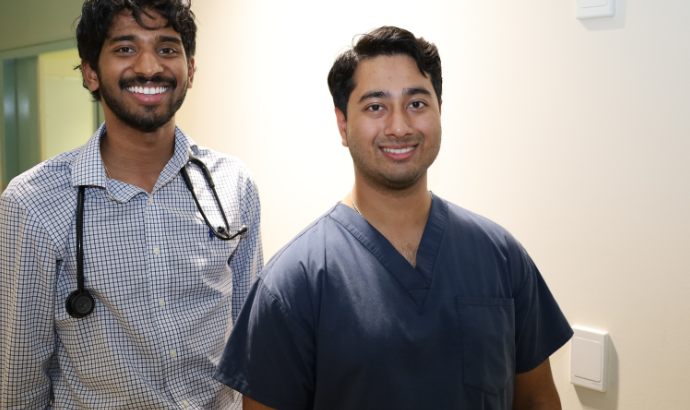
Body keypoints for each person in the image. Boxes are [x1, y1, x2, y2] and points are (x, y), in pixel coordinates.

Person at [215, 26, 573, 410]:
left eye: (417, 104)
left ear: (439, 112)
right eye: (375, 107)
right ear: (343, 125)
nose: (400, 127)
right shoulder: (293, 283)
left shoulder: (500, 257)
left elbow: (538, 399)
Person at [0, 0, 262, 409]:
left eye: (167, 48)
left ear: (190, 71)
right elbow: (20, 375)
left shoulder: (233, 185)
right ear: (92, 72)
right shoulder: (33, 204)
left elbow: (253, 339)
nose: (150, 67)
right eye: (125, 48)